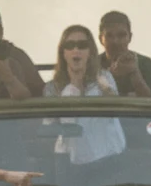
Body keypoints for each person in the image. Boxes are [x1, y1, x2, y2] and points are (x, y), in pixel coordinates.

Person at [43, 24, 126, 166]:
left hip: (107, 156)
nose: (76, 50)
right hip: (69, 161)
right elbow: (49, 128)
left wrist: (103, 86)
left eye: (82, 45)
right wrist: (74, 85)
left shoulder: (104, 79)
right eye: (70, 45)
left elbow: (115, 109)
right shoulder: (52, 88)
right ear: (63, 53)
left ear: (90, 52)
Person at [98, 10, 151, 98]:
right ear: (101, 39)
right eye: (109, 36)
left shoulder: (146, 65)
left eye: (121, 35)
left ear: (130, 37)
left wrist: (134, 73)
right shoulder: (90, 65)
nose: (115, 41)